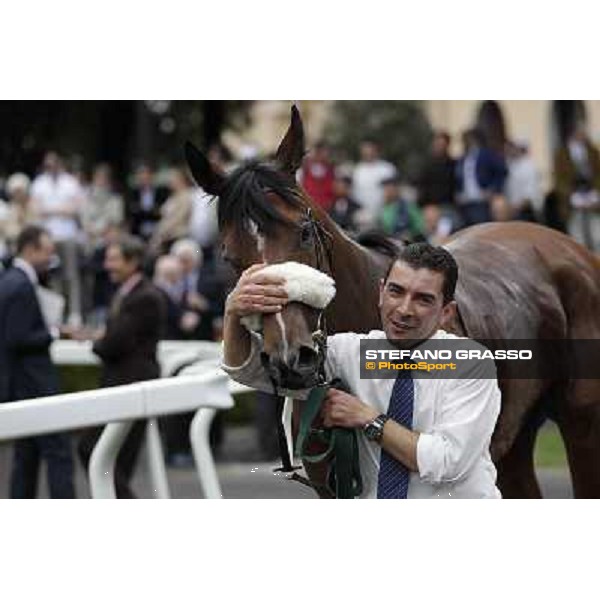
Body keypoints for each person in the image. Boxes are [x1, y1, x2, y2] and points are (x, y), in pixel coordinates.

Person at [222, 243, 502, 499]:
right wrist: (233, 313)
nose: (404, 309)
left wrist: (368, 419)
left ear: (446, 313)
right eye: (396, 291)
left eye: (423, 299)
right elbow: (250, 371)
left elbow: (446, 462)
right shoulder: (350, 352)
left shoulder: (470, 362)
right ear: (381, 292)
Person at [77, 234, 167, 498]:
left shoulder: (145, 297)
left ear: (133, 261)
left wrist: (98, 341)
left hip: (131, 387)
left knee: (95, 450)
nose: (107, 265)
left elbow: (112, 343)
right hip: (123, 385)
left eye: (114, 259)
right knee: (113, 460)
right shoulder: (129, 294)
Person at [0, 225, 75, 498]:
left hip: (24, 384)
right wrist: (54, 333)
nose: (51, 258)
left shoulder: (12, 279)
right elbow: (17, 338)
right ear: (30, 249)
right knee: (58, 453)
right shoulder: (20, 284)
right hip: (34, 383)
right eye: (47, 252)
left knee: (27, 456)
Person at [30, 151, 85, 326]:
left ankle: (74, 313)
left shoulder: (70, 182)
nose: (51, 167)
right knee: (53, 276)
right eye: (48, 165)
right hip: (48, 238)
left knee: (71, 275)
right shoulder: (39, 183)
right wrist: (61, 210)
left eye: (53, 164)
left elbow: (75, 209)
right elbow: (37, 209)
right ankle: (57, 313)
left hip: (68, 236)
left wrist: (50, 210)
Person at [553, 123, 600, 251]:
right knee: (578, 239)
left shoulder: (593, 151)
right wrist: (572, 196)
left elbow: (597, 175)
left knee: (597, 236)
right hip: (572, 200)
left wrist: (596, 194)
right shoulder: (562, 154)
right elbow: (559, 180)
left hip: (592, 198)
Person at [455, 129, 507, 227]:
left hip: (481, 200)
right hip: (466, 201)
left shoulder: (486, 155)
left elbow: (502, 172)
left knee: (481, 228)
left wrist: (493, 190)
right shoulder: (463, 158)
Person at [352, 140, 397, 230]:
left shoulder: (387, 168)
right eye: (365, 151)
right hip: (364, 214)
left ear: (376, 150)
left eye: (370, 150)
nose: (368, 153)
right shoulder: (357, 170)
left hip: (385, 212)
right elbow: (354, 192)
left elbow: (393, 191)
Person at [149, 167, 194, 255]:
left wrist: (162, 233)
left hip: (176, 237)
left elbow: (178, 218)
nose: (170, 181)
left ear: (181, 179)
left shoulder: (186, 196)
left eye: (173, 179)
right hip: (165, 236)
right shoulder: (172, 196)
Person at [126, 163, 169, 241]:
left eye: (146, 174)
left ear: (151, 176)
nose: (144, 178)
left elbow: (162, 212)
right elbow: (133, 213)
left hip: (158, 229)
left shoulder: (161, 192)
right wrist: (151, 211)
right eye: (141, 175)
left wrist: (142, 211)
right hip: (138, 231)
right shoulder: (133, 193)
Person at [504, 139, 542, 222]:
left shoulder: (528, 167)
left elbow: (529, 194)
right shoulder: (512, 165)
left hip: (525, 211)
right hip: (514, 211)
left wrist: (516, 208)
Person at [378, 175, 424, 240]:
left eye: (390, 189)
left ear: (397, 190)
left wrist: (410, 234)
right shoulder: (381, 208)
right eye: (386, 189)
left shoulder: (408, 207)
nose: (387, 192)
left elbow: (420, 226)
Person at [299, 141, 336, 212]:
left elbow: (333, 191)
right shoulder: (305, 170)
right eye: (324, 152)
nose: (326, 155)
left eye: (328, 152)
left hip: (326, 211)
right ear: (317, 152)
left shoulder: (331, 171)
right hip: (308, 209)